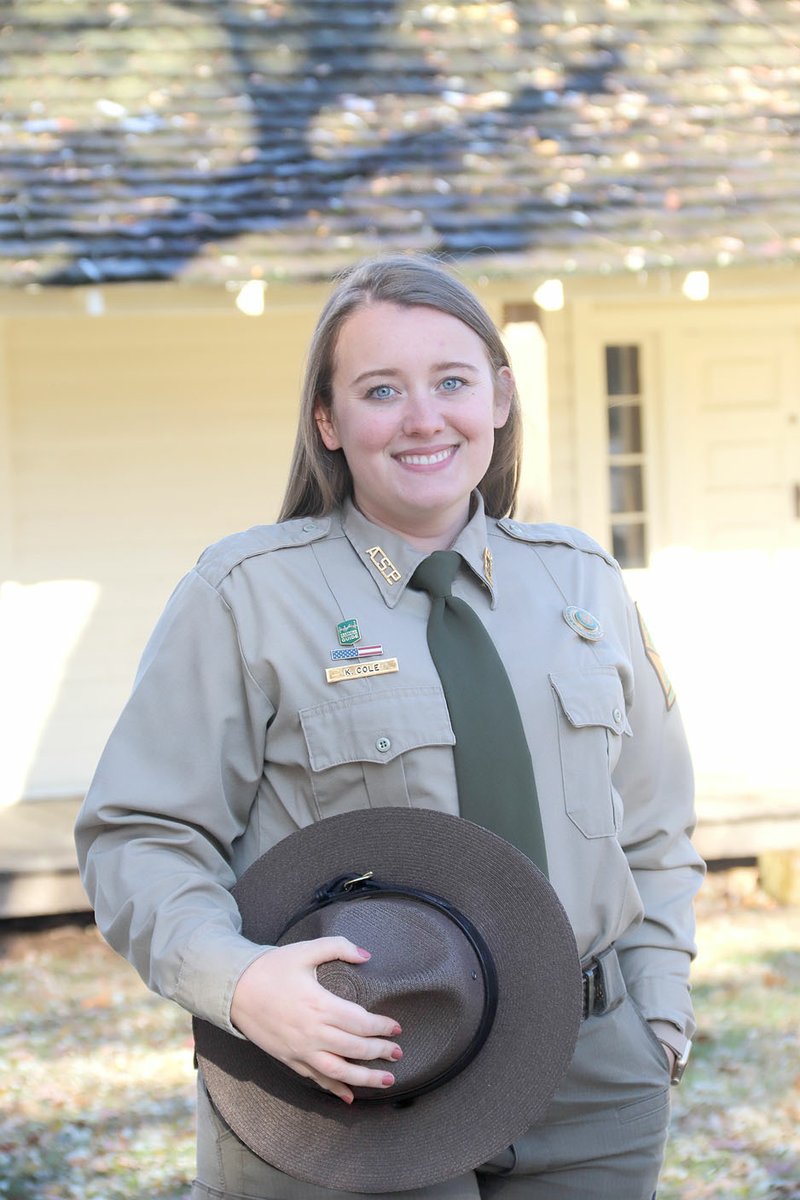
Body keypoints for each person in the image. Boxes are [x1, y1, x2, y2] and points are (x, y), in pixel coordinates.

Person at [75, 253, 705, 1200]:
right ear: (328, 422)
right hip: (346, 1089)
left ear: (498, 397)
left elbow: (654, 827)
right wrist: (240, 986)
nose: (423, 418)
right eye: (380, 389)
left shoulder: (582, 583)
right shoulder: (245, 596)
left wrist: (657, 1011)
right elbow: (139, 837)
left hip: (590, 1088)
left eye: (451, 381)